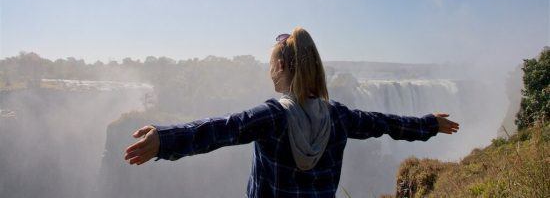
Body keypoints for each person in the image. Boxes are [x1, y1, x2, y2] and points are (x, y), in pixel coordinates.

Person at [124, 27, 459, 198]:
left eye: (271, 66)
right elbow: (386, 123)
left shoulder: (273, 117)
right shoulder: (339, 117)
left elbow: (220, 130)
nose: (269, 73)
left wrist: (165, 140)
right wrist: (430, 124)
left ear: (281, 66)